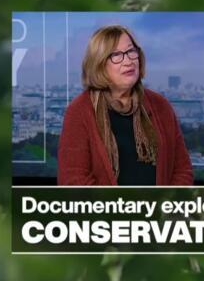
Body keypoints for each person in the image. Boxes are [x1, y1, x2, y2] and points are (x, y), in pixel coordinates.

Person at [58, 25, 194, 185]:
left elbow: (182, 169)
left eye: (131, 51)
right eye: (116, 55)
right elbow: (73, 180)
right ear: (99, 64)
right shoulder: (80, 110)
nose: (128, 60)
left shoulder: (160, 105)